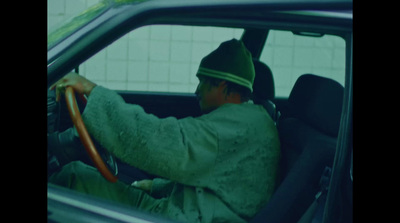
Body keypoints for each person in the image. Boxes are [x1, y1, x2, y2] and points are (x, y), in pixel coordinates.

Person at [48, 39, 280, 223]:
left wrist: (92, 90)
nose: (196, 90)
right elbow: (213, 180)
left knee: (71, 183)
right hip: (182, 210)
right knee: (75, 176)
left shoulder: (234, 128)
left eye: (202, 81)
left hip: (178, 217)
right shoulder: (249, 122)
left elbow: (159, 142)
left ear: (222, 84)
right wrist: (155, 187)